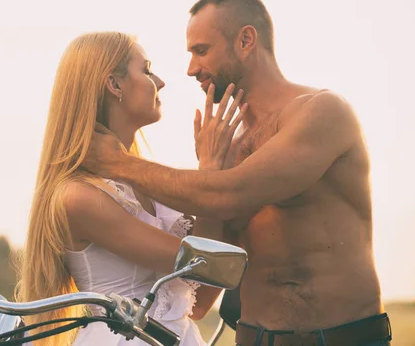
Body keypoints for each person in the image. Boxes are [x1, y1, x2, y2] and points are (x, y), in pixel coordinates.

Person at [81, 0, 392, 346]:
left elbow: (228, 195)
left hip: (339, 340)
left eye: (202, 51)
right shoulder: (229, 149)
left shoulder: (321, 112)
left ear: (246, 40)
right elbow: (204, 296)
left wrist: (119, 163)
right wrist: (209, 169)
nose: (191, 69)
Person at [14, 32, 245, 346]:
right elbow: (205, 265)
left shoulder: (142, 184)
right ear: (115, 84)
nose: (160, 82)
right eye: (147, 70)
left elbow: (200, 302)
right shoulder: (80, 197)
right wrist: (210, 174)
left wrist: (217, 174)